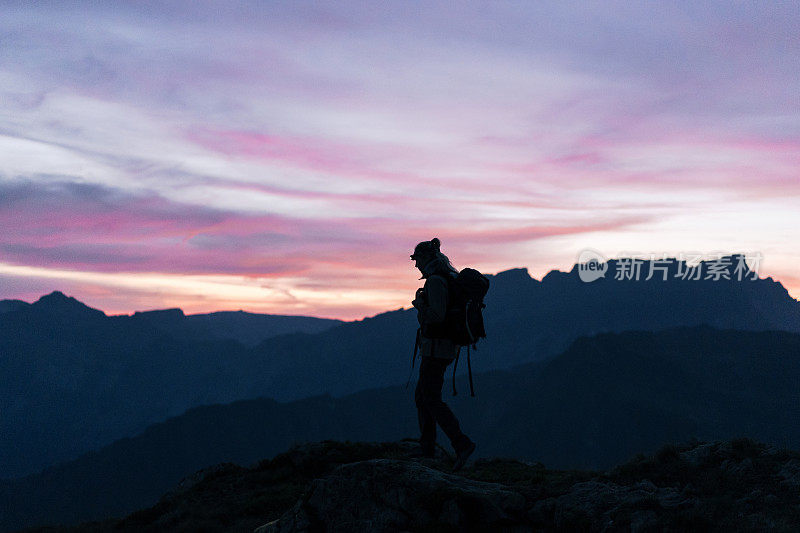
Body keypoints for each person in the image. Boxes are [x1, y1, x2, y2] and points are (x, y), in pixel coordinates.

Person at [410, 237, 476, 471]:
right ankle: (427, 446)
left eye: (417, 260)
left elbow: (437, 316)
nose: (416, 265)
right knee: (423, 396)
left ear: (427, 259)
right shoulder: (446, 278)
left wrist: (420, 307)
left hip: (437, 349)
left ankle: (461, 444)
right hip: (442, 348)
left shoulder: (436, 282)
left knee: (430, 398)